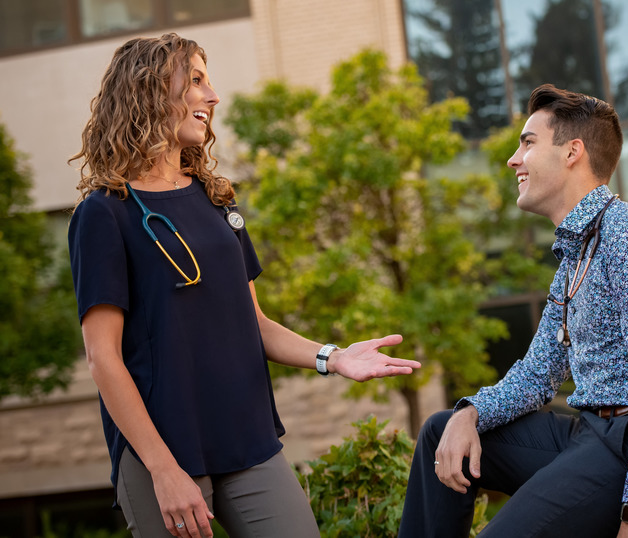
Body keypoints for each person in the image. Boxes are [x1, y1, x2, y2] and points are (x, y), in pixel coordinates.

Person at [68, 33, 421, 538]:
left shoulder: (217, 200)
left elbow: (253, 323)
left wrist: (334, 357)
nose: (212, 96)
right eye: (195, 80)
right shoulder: (103, 214)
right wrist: (164, 470)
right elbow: (103, 358)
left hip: (247, 436)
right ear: (148, 89)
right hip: (164, 449)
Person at [398, 85, 628, 538]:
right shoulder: (575, 259)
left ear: (572, 152)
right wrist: (470, 412)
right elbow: (538, 374)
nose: (513, 159)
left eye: (527, 143)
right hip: (591, 436)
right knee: (441, 431)